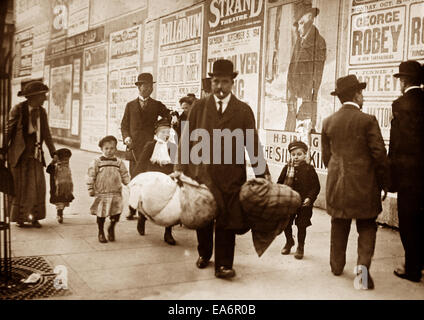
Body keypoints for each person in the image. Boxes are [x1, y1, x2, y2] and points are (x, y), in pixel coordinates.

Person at [175, 59, 269, 279]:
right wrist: (179, 168)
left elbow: (252, 142)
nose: (219, 87)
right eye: (215, 81)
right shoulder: (198, 106)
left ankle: (224, 264)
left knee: (227, 218)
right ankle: (204, 253)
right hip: (202, 172)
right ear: (211, 82)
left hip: (231, 175)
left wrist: (261, 173)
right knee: (203, 216)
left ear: (232, 83)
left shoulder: (243, 110)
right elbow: (186, 139)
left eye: (224, 82)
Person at [321, 75, 389, 290]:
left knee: (339, 223)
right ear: (356, 95)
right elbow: (379, 155)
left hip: (337, 184)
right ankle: (362, 275)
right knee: (367, 226)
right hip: (364, 185)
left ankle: (336, 265)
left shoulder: (328, 121)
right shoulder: (367, 120)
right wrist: (384, 183)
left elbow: (326, 157)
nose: (363, 97)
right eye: (361, 93)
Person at [389, 60, 424, 283]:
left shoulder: (400, 105)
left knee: (409, 221)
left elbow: (396, 144)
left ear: (404, 81)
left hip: (409, 176)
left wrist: (390, 178)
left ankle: (412, 268)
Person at [5, 80, 56, 228]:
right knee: (20, 187)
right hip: (19, 154)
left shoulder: (42, 111)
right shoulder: (18, 110)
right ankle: (20, 218)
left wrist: (53, 152)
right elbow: (9, 130)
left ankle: (34, 217)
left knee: (37, 186)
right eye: (43, 96)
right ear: (33, 97)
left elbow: (46, 133)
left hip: (35, 153)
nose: (45, 99)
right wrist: (2, 151)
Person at [121, 73, 170, 220]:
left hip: (150, 149)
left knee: (148, 180)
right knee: (135, 179)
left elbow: (168, 115)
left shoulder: (157, 105)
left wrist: (160, 129)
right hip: (134, 148)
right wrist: (126, 138)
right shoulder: (130, 105)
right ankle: (132, 209)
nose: (149, 88)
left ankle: (146, 211)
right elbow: (124, 125)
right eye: (145, 85)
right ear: (139, 87)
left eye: (151, 86)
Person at [135, 117, 178, 245]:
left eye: (168, 132)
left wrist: (176, 175)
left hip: (167, 177)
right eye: (163, 132)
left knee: (169, 204)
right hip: (151, 177)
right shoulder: (150, 145)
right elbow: (142, 162)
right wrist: (136, 177)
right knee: (147, 200)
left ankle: (168, 232)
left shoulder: (172, 146)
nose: (165, 135)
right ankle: (142, 217)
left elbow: (176, 163)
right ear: (156, 133)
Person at [286, 1, 326, 133]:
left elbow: (317, 76)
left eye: (301, 23)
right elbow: (292, 68)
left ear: (310, 19)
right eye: (298, 24)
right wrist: (290, 91)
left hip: (306, 98)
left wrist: (307, 99)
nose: (298, 28)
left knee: (304, 135)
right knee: (291, 134)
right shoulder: (300, 41)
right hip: (295, 97)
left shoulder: (318, 42)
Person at [277, 140, 320, 260]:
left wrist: (310, 198)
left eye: (299, 154)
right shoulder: (287, 168)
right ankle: (289, 241)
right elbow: (279, 183)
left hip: (303, 203)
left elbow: (315, 186)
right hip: (289, 202)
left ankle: (300, 246)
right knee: (286, 223)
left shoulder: (309, 169)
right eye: (293, 154)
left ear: (305, 154)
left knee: (302, 225)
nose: (296, 157)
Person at [87, 135, 130, 243]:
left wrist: (129, 184)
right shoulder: (97, 162)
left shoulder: (119, 162)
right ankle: (100, 232)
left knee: (116, 212)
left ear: (116, 149)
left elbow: (125, 175)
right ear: (101, 149)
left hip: (116, 193)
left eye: (112, 148)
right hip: (102, 193)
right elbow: (90, 175)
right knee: (101, 214)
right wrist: (90, 188)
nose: (109, 151)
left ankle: (111, 227)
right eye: (106, 148)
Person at [46, 148, 74, 224]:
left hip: (66, 189)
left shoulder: (67, 167)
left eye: (67, 160)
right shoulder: (55, 167)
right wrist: (53, 162)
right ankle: (59, 214)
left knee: (64, 202)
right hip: (57, 190)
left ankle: (60, 212)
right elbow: (48, 170)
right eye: (64, 159)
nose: (66, 161)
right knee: (60, 203)